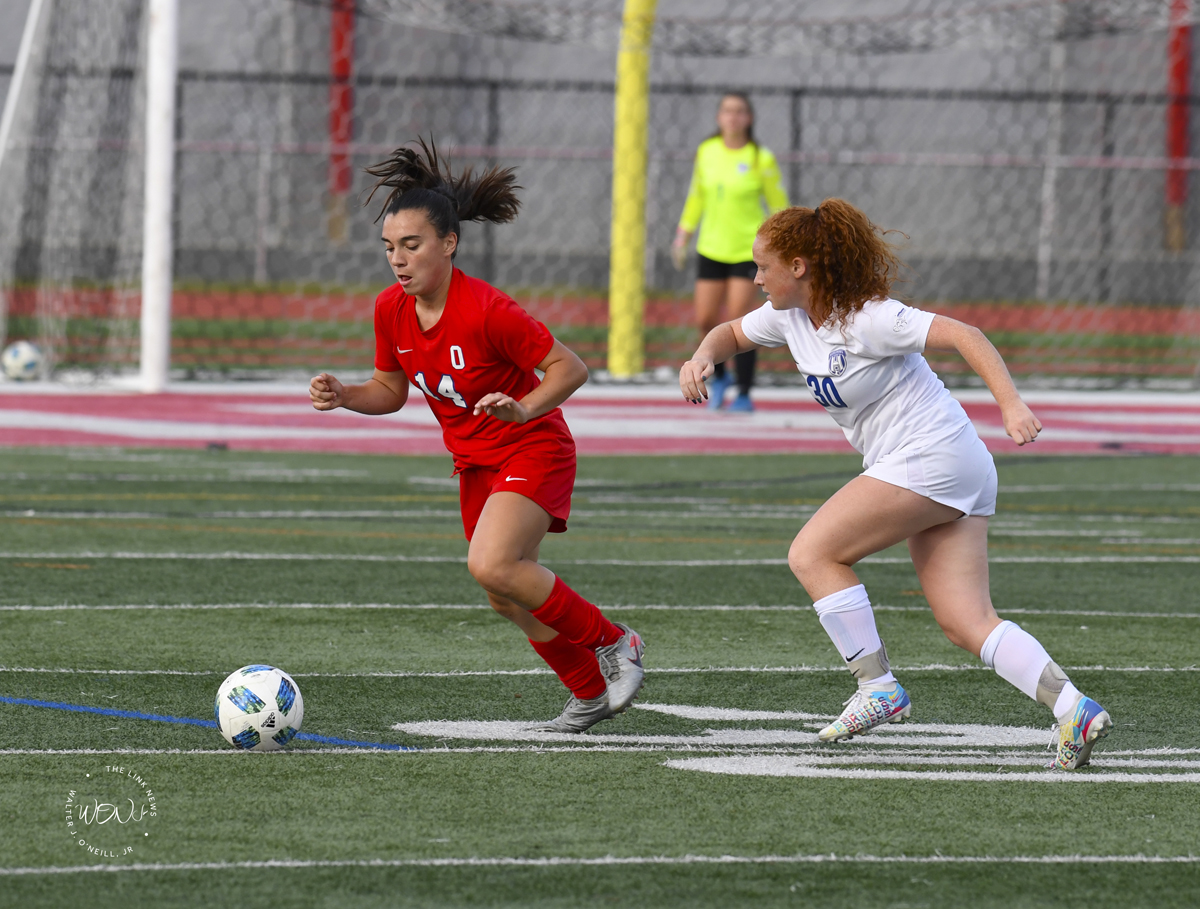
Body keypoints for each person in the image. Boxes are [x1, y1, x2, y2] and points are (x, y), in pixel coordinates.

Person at [678, 198, 1112, 770]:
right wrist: (700, 358)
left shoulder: (867, 317)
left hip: (931, 457)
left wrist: (1010, 405)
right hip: (953, 466)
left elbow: (967, 334)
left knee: (813, 553)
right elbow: (729, 333)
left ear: (801, 267)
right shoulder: (787, 316)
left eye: (763, 265)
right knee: (967, 623)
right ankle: (1072, 707)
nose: (755, 277)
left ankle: (877, 688)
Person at [310, 139, 644, 733]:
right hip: (476, 465)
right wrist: (345, 395)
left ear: (450, 243)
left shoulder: (489, 309)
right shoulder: (390, 309)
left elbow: (570, 369)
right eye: (390, 248)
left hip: (533, 447)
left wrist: (524, 409)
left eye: (412, 246)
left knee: (490, 563)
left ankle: (617, 642)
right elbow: (391, 390)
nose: (399, 259)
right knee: (504, 593)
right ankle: (589, 691)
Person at [672, 92, 788, 412]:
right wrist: (683, 234)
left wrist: (785, 241)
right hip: (711, 247)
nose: (733, 117)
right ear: (718, 117)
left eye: (739, 112)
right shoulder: (707, 152)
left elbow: (778, 202)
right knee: (705, 320)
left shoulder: (759, 158)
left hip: (745, 251)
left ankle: (745, 391)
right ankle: (719, 375)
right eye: (727, 111)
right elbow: (696, 196)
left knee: (742, 323)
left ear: (748, 118)